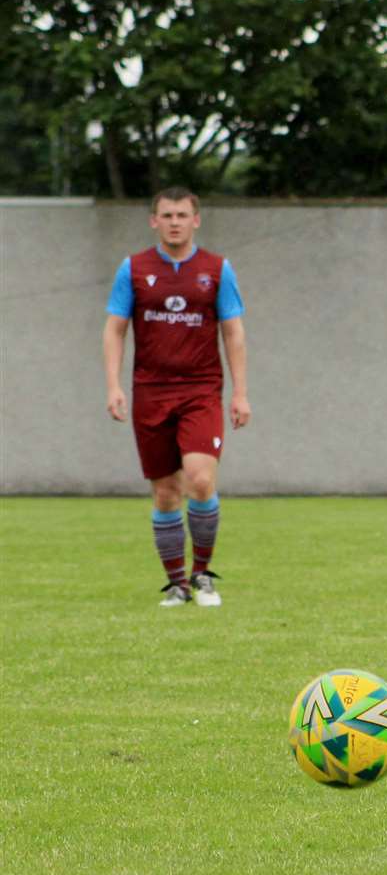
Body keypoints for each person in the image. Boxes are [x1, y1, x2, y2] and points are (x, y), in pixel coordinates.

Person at [104, 187, 250, 607]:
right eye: (166, 215)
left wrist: (240, 393)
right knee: (166, 491)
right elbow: (115, 329)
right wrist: (114, 385)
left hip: (201, 389)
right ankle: (177, 584)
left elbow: (233, 332)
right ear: (154, 220)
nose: (174, 222)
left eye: (182, 215)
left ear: (195, 220)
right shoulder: (132, 269)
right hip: (150, 391)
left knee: (201, 479)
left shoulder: (217, 270)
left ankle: (203, 575)